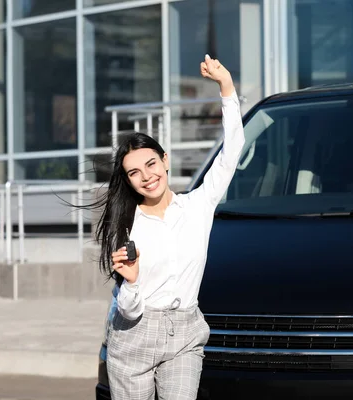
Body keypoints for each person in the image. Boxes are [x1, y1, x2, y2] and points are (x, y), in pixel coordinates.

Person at [97, 54, 244, 400]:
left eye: (151, 164)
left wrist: (226, 87)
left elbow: (232, 151)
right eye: (135, 172)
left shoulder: (198, 205)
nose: (147, 176)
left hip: (185, 333)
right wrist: (130, 284)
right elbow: (129, 310)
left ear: (165, 160)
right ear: (129, 181)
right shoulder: (128, 226)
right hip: (134, 336)